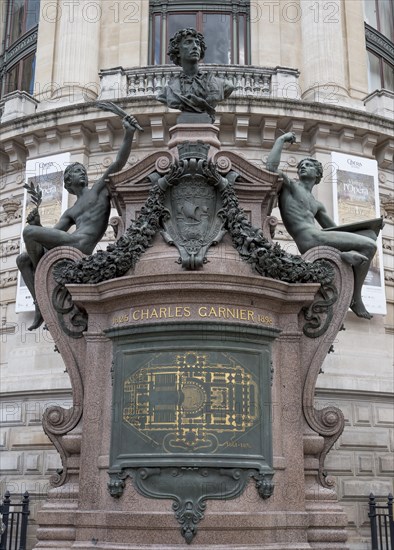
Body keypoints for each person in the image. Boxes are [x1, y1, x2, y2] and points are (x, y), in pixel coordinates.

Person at [17, 115, 140, 330]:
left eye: (81, 170)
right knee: (22, 259)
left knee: (29, 233)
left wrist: (129, 133)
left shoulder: (99, 190)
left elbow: (118, 162)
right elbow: (49, 239)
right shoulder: (71, 211)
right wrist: (38, 224)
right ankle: (40, 302)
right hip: (71, 241)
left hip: (81, 245)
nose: (81, 172)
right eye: (75, 171)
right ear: (67, 183)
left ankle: (43, 282)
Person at [266, 132, 380, 319]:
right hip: (309, 238)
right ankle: (355, 297)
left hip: (318, 236)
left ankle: (344, 259)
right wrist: (280, 140)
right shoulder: (291, 186)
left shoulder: (317, 204)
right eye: (301, 165)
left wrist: (369, 228)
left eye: (309, 165)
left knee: (369, 237)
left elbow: (336, 231)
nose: (303, 167)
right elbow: (270, 169)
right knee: (369, 245)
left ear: (318, 174)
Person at [157, 28, 234, 122]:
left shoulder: (221, 85)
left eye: (197, 43)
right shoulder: (167, 91)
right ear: (177, 51)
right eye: (188, 42)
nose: (195, 47)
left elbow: (228, 87)